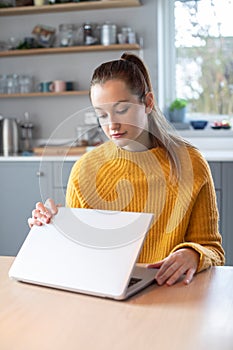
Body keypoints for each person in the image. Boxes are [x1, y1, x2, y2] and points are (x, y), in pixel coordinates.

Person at [28, 52, 225, 286]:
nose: (112, 125)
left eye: (121, 110)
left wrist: (193, 254)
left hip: (172, 293)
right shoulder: (85, 169)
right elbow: (79, 258)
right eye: (101, 115)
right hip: (107, 294)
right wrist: (52, 229)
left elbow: (212, 249)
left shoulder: (191, 163)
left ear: (148, 103)